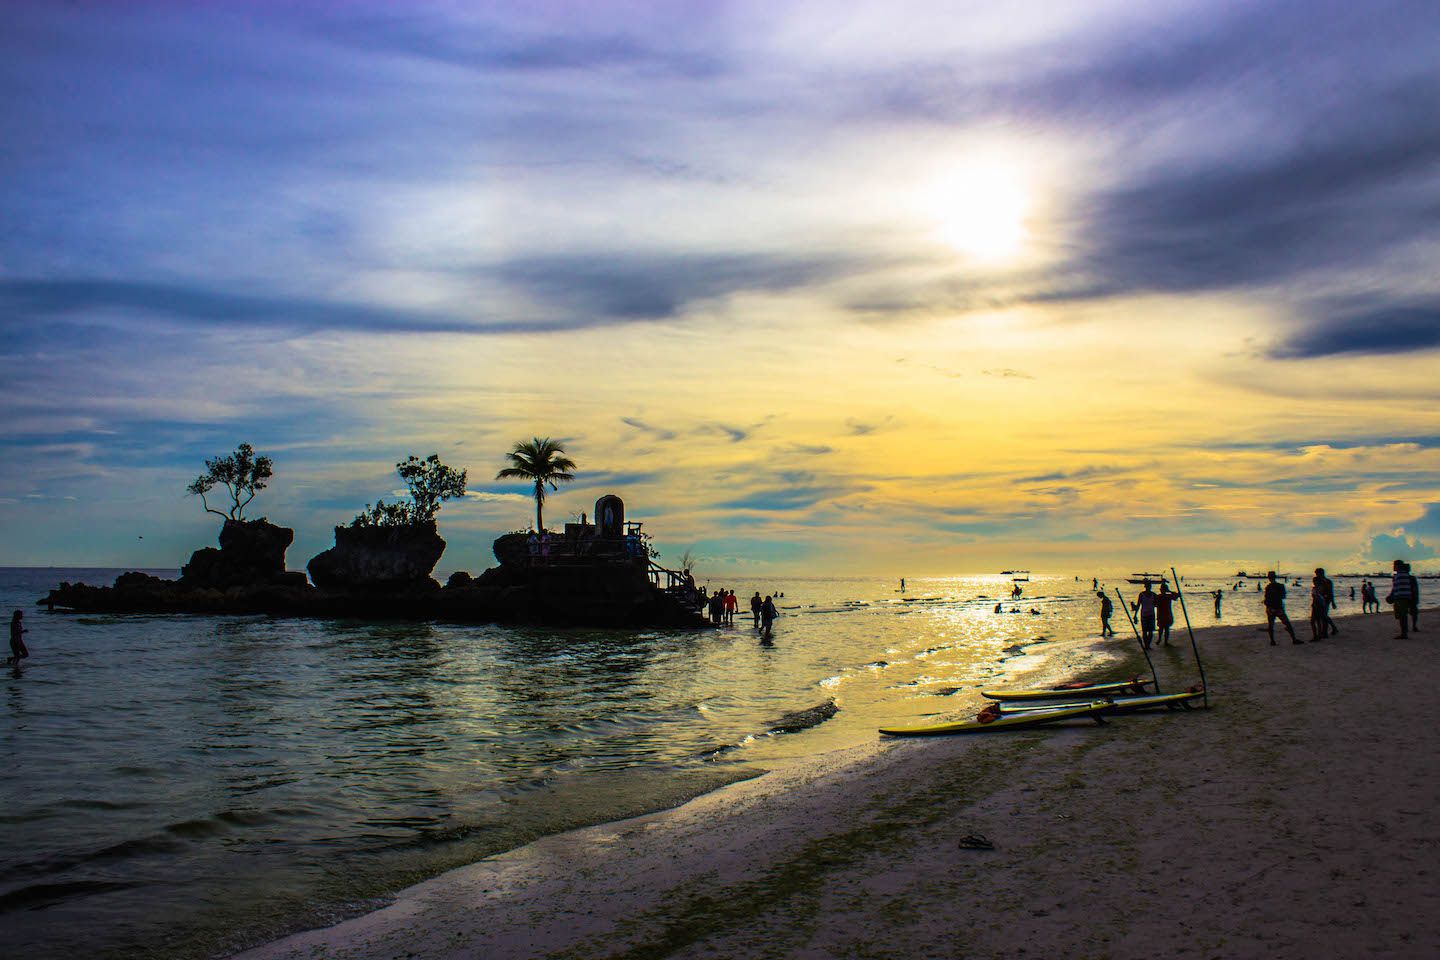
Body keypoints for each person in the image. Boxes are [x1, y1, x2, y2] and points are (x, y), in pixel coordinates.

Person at [1264, 571, 1301, 645]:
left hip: (1270, 608)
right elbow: (1283, 596)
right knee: (1287, 623)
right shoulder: (1280, 586)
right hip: (1278, 608)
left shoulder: (1268, 587)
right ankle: (1294, 639)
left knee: (1271, 625)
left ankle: (1272, 641)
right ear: (1275, 577)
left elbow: (1266, 598)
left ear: (1269, 578)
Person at [1386, 560, 1416, 638]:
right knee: (1400, 615)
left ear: (1398, 566)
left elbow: (1396, 588)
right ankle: (1404, 632)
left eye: (1394, 565)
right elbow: (1395, 588)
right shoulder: (1400, 575)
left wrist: (1391, 596)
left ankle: (1404, 633)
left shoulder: (1401, 575)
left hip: (1401, 598)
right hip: (1401, 597)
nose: (1393, 566)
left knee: (1402, 615)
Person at [1315, 568, 1338, 637]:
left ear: (1321, 573)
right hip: (1319, 600)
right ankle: (1332, 628)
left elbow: (1331, 592)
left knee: (1324, 616)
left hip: (1326, 600)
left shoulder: (1328, 581)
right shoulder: (1318, 581)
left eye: (1317, 573)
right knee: (1323, 616)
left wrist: (1333, 602)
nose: (1316, 575)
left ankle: (1325, 632)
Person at [1135, 580, 1158, 649]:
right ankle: (1146, 645)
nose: (1148, 587)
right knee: (1144, 631)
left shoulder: (1154, 595)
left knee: (1150, 631)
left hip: (1151, 615)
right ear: (1145, 586)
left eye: (1149, 586)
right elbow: (1138, 605)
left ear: (1150, 587)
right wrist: (1135, 615)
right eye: (1147, 586)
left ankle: (1148, 645)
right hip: (1144, 615)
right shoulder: (1141, 595)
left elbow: (1157, 604)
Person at [1309, 575, 1329, 642]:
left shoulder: (1316, 589)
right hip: (1321, 605)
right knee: (1318, 621)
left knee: (1313, 621)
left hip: (1317, 606)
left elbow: (1316, 598)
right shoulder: (1322, 588)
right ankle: (1319, 635)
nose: (1314, 582)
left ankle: (1316, 636)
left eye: (1314, 581)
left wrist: (1314, 604)